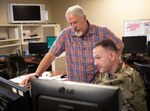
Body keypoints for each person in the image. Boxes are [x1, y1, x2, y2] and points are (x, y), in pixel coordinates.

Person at [21, 5, 124, 85]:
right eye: (70, 24)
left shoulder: (102, 32)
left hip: (99, 85)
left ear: (84, 18)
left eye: (75, 23)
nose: (73, 27)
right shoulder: (65, 35)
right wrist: (36, 74)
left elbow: (120, 45)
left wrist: (111, 66)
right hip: (75, 86)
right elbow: (51, 55)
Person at [92, 39, 148, 111]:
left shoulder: (130, 77)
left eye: (98, 58)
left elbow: (141, 108)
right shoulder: (103, 74)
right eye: (94, 59)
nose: (95, 63)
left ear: (111, 56)